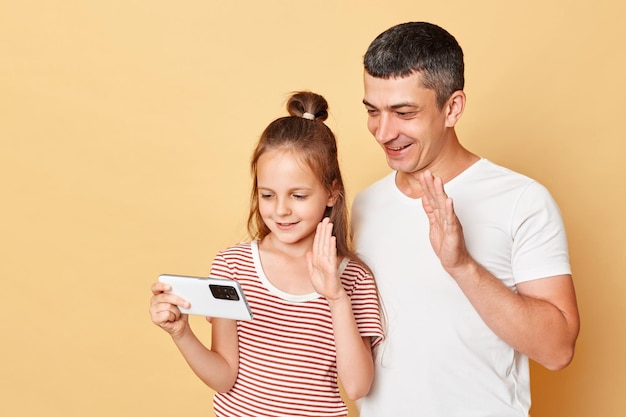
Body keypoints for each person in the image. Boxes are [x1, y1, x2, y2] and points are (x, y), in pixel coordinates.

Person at [351, 22, 580, 416]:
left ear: (452, 107)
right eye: (373, 111)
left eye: (403, 113)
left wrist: (462, 266)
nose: (383, 132)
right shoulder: (365, 205)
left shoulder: (522, 200)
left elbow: (558, 350)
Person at [150, 91, 383, 417]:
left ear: (331, 192)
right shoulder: (233, 266)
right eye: (268, 195)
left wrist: (336, 297)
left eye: (298, 195)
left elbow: (357, 387)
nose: (282, 210)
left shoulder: (354, 278)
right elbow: (224, 377)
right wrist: (181, 333)